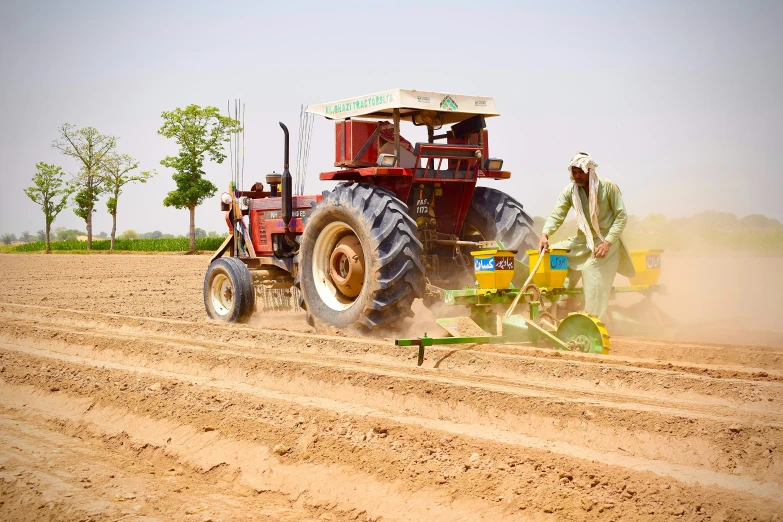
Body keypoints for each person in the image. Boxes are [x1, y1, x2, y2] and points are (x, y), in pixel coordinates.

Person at [538, 152, 635, 320]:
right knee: (553, 254)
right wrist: (545, 234)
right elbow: (557, 214)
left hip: (606, 242)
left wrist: (607, 242)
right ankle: (563, 301)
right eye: (574, 173)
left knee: (591, 270)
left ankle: (594, 320)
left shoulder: (609, 187)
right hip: (583, 241)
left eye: (581, 172)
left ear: (590, 171)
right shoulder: (570, 191)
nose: (577, 176)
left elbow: (621, 217)